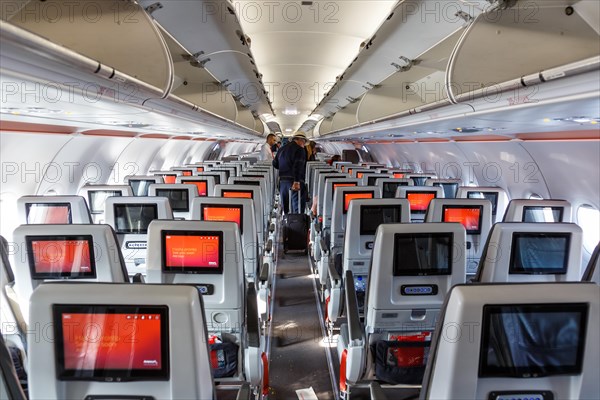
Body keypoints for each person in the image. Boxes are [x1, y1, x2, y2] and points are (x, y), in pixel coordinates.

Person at [273, 131, 307, 214]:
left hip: (283, 183)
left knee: (286, 209)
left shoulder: (281, 149)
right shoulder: (300, 150)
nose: (304, 144)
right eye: (304, 142)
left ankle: (286, 225)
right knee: (297, 210)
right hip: (294, 182)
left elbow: (275, 164)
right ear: (300, 140)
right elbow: (298, 166)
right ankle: (296, 226)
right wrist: (296, 181)